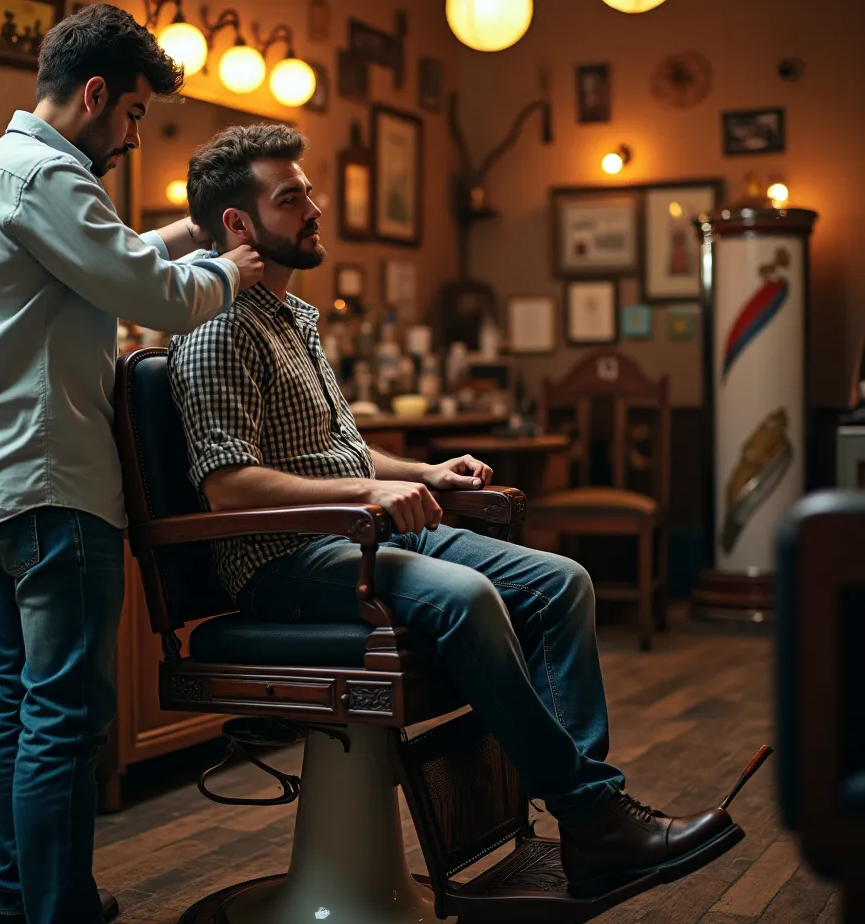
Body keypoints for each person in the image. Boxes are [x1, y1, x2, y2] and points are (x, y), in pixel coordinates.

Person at [168, 123, 736, 899]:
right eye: (291, 197)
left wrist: (420, 470)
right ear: (238, 225)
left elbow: (344, 456)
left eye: (309, 191)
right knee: (465, 596)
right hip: (284, 560)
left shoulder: (292, 319)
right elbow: (228, 486)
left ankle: (587, 817)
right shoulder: (216, 327)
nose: (315, 208)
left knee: (562, 582)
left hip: (356, 535)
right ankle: (596, 817)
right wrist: (369, 494)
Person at [0, 5, 263, 924]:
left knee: (12, 708)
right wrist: (234, 267)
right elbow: (154, 298)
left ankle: (28, 899)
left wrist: (193, 230)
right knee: (62, 722)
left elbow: (112, 259)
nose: (132, 135)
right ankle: (55, 911)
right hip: (55, 491)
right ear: (96, 95)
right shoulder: (51, 174)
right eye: (132, 115)